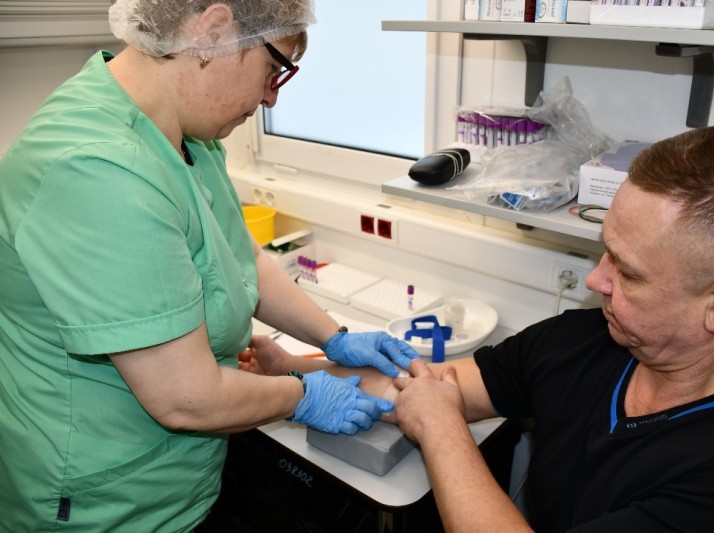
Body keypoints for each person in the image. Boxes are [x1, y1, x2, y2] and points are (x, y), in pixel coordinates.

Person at [0, 0, 419, 530]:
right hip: (104, 504)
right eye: (274, 69)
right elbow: (186, 398)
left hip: (181, 479)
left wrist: (332, 336)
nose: (271, 96)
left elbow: (240, 257)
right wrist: (303, 395)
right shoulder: (96, 170)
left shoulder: (186, 135)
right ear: (214, 31)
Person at [386, 125, 714, 532]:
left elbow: (436, 408)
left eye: (628, 273)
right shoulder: (590, 338)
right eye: (606, 250)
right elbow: (430, 387)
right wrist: (344, 366)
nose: (595, 280)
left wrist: (441, 429)